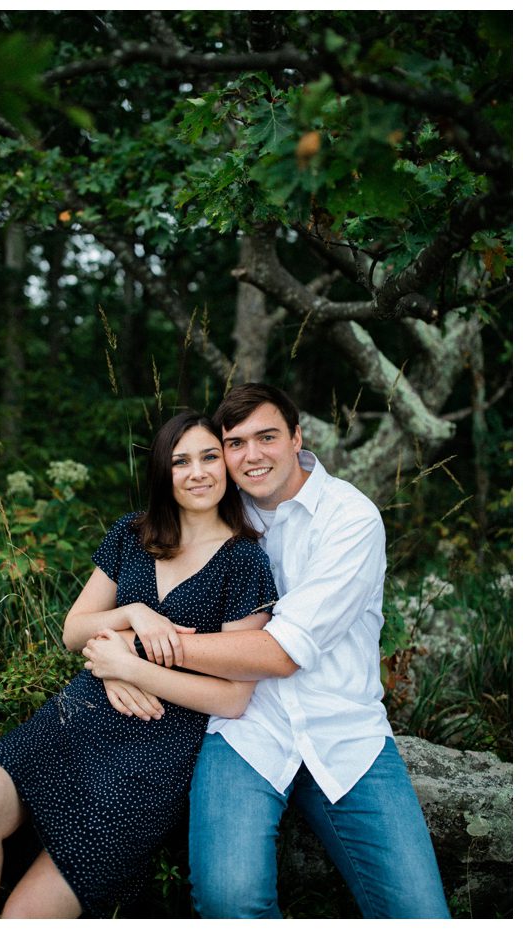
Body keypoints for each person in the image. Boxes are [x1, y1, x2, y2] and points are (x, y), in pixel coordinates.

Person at [100, 383, 448, 918]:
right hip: (246, 728)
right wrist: (114, 652)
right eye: (235, 444)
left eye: (267, 437)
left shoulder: (350, 519)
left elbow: (282, 652)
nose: (251, 455)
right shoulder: (216, 507)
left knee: (420, 913)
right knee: (228, 898)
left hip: (344, 733)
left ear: (297, 439)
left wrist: (135, 656)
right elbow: (134, 589)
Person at [0, 410, 280, 918]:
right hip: (80, 713)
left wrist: (129, 667)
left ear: (226, 465)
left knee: (25, 917)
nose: (199, 472)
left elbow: (233, 695)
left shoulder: (245, 560)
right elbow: (75, 630)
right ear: (163, 472)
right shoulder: (130, 534)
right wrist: (132, 615)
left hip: (157, 743)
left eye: (209, 456)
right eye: (181, 461)